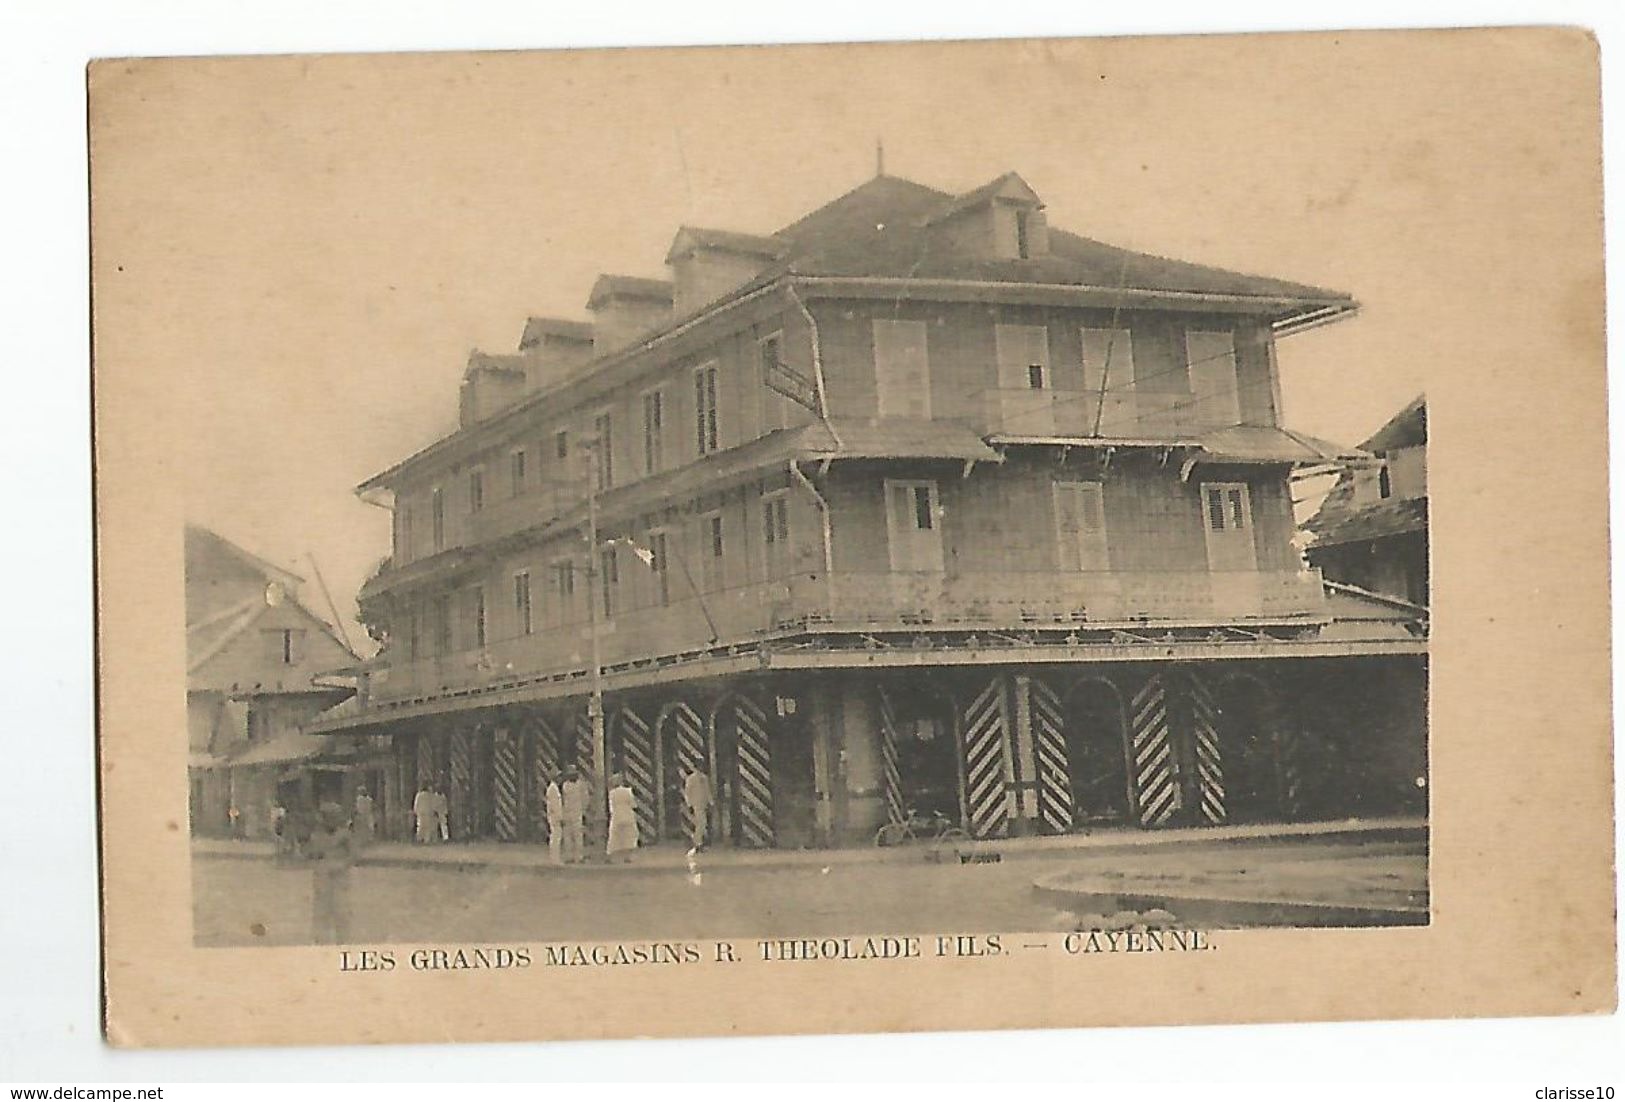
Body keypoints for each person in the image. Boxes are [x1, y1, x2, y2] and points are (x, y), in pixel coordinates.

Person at [307, 801, 355, 945]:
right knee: (322, 910)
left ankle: (343, 941)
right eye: (327, 817)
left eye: (333, 817)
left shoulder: (345, 834)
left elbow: (353, 855)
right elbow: (312, 854)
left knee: (341, 910)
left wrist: (343, 865)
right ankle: (321, 942)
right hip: (323, 875)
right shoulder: (316, 835)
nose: (330, 821)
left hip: (340, 876)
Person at [606, 773, 638, 863]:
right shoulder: (628, 791)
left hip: (616, 816)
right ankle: (628, 857)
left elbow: (611, 807)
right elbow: (633, 804)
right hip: (628, 814)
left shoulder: (611, 793)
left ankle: (610, 856)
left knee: (614, 837)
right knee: (629, 835)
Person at [560, 769, 587, 864]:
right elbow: (585, 798)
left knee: (575, 836)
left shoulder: (567, 785)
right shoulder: (578, 785)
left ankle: (576, 856)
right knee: (571, 836)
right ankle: (573, 857)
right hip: (572, 813)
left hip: (574, 812)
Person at [682, 767, 713, 850]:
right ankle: (697, 843)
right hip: (695, 804)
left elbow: (707, 791)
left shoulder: (704, 778)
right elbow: (687, 793)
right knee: (701, 823)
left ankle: (698, 842)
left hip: (703, 804)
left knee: (702, 824)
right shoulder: (691, 779)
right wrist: (689, 805)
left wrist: (710, 803)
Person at [543, 773, 566, 866]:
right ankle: (554, 859)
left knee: (556, 837)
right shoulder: (553, 789)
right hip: (555, 816)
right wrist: (560, 817)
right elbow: (555, 805)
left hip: (554, 815)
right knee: (556, 837)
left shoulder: (553, 788)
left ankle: (555, 858)